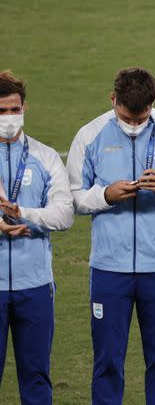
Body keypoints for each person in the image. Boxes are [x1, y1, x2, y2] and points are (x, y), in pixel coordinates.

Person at [66, 67, 155, 405]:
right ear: (113, 100)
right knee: (108, 362)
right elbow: (70, 198)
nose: (134, 124)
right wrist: (105, 196)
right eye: (127, 117)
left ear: (153, 104)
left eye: (141, 118)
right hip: (109, 270)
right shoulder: (90, 135)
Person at [0, 70, 74, 404]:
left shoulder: (45, 157)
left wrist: (25, 215)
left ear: (25, 108)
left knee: (37, 377)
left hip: (35, 286)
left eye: (14, 110)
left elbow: (64, 213)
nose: (9, 118)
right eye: (2, 111)